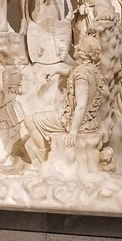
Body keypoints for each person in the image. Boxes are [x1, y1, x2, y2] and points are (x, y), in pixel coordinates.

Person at [23, 35, 105, 164]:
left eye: (78, 46)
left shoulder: (81, 74)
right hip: (90, 122)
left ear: (82, 52)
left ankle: (45, 161)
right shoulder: (93, 70)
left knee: (29, 121)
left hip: (76, 122)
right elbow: (73, 72)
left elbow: (81, 105)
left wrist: (73, 132)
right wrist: (57, 72)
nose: (75, 47)